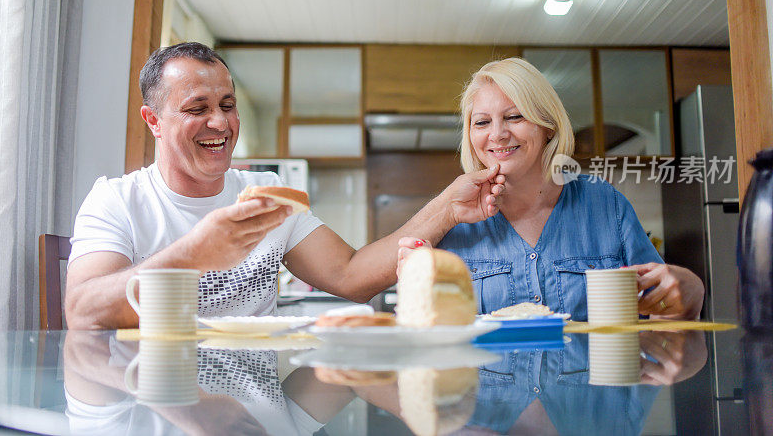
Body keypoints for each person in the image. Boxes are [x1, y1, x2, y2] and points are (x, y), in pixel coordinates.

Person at [65, 42, 506, 329]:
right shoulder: (117, 200)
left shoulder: (268, 194)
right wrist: (196, 251)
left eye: (227, 104)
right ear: (154, 121)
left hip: (259, 403)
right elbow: (83, 311)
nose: (219, 122)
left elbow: (351, 275)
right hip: (155, 398)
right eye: (196, 108)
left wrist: (448, 206)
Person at [398, 57, 704, 321]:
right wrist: (415, 293)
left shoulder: (605, 203)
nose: (498, 134)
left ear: (548, 125)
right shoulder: (453, 222)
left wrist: (690, 292)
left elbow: (663, 315)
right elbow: (431, 338)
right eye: (481, 123)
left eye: (514, 116)